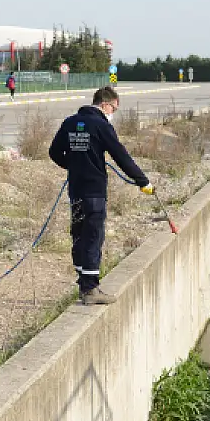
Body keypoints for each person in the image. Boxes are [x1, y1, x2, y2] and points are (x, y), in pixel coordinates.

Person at [49, 86, 153, 305]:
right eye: (114, 108)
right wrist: (143, 181)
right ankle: (90, 290)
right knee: (94, 236)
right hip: (94, 191)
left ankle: (83, 283)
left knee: (78, 234)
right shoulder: (101, 125)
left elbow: (54, 152)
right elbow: (121, 157)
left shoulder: (70, 122)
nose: (113, 112)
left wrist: (74, 166)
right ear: (106, 104)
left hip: (76, 190)